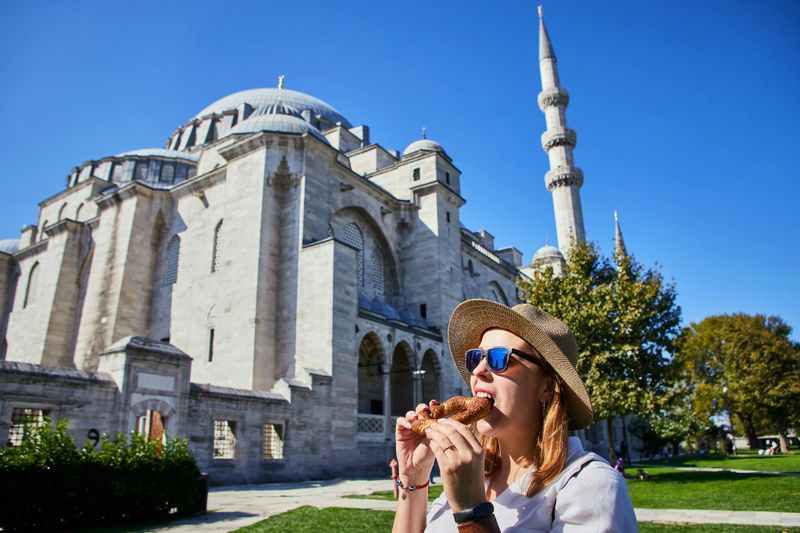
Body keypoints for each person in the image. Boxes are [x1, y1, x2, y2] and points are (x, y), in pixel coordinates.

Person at [392, 300, 637, 532]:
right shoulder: (476, 476)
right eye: (475, 357)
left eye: (499, 358)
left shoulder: (591, 485)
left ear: (546, 387)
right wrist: (413, 477)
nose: (478, 371)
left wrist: (472, 511)